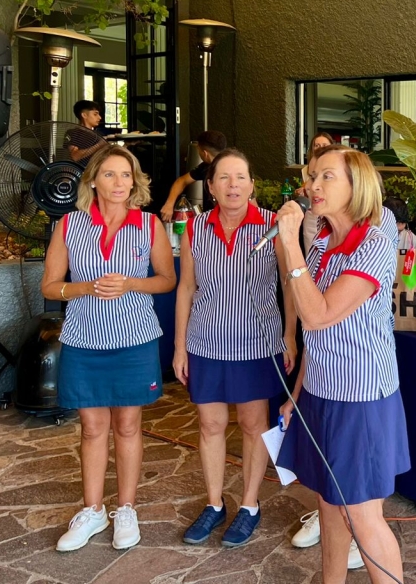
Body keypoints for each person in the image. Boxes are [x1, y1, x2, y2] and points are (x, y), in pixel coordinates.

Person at [274, 144, 409, 583]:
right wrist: (297, 394)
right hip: (321, 394)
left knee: (361, 515)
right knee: (329, 506)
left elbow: (318, 314)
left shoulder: (373, 243)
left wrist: (290, 244)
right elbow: (314, 335)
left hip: (361, 398)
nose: (313, 185)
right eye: (312, 176)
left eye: (326, 176)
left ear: (357, 186)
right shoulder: (323, 243)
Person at [40, 145, 176, 553]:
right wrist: (84, 288)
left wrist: (131, 283)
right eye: (110, 174)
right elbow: (49, 286)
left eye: (126, 175)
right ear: (93, 181)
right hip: (84, 340)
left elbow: (166, 280)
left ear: (135, 182)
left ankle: (126, 508)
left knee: (128, 426)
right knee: (92, 427)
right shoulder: (69, 224)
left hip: (135, 339)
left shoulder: (148, 224)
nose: (120, 183)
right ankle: (93, 509)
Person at [173, 148, 297, 548]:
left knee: (252, 425)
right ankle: (214, 504)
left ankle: (248, 505)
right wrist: (179, 346)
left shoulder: (272, 226)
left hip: (257, 343)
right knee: (210, 425)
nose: (233, 185)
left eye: (240, 177)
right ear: (210, 186)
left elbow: (290, 283)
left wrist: (290, 335)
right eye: (223, 177)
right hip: (205, 341)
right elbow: (186, 287)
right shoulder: (195, 228)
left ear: (252, 185)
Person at [161, 131, 227, 220]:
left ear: (205, 153)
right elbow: (182, 181)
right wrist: (169, 204)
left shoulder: (229, 169)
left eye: (198, 150)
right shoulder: (205, 167)